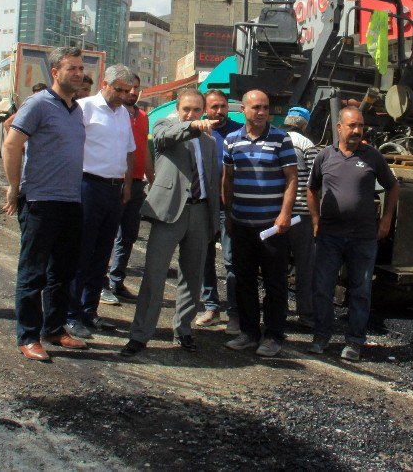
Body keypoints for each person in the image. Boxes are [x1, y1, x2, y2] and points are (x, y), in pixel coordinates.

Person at [2, 47, 89, 362]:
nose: (78, 74)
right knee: (33, 272)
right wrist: (14, 187)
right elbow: (12, 144)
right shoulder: (37, 104)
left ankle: (54, 329)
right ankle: (28, 336)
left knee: (63, 273)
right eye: (72, 69)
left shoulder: (75, 109)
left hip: (70, 200)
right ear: (55, 72)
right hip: (40, 201)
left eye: (81, 69)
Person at [121, 89, 220, 357]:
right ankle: (140, 334)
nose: (191, 114)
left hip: (199, 213)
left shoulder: (210, 143)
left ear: (204, 111)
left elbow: (211, 183)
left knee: (192, 277)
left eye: (196, 110)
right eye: (186, 109)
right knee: (154, 275)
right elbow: (166, 136)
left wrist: (213, 221)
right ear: (178, 109)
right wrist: (190, 126)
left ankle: (184, 330)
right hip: (169, 212)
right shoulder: (167, 127)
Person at [307, 106, 400, 361]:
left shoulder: (372, 157)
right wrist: (316, 221)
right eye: (352, 126)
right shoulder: (324, 157)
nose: (358, 130)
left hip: (363, 237)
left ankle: (355, 342)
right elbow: (312, 189)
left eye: (360, 126)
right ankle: (321, 336)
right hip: (329, 236)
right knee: (323, 288)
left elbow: (393, 187)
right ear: (339, 128)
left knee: (360, 290)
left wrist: (387, 219)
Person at [222, 89, 298, 357]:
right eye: (256, 107)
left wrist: (284, 214)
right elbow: (228, 178)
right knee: (244, 281)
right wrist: (229, 212)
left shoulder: (281, 139)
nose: (262, 112)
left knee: (275, 283)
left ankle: (274, 335)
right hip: (242, 224)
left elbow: (291, 178)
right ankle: (249, 332)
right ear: (243, 109)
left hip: (272, 227)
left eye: (265, 107)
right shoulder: (231, 141)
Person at [67, 64, 136, 338]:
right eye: (118, 89)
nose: (122, 95)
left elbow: (130, 152)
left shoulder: (123, 115)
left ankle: (89, 311)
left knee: (101, 255)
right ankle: (70, 315)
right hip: (88, 186)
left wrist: (128, 185)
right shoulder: (84, 108)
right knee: (81, 253)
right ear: (104, 84)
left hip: (114, 190)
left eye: (126, 90)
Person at [195, 89, 242, 331]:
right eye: (214, 107)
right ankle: (211, 307)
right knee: (204, 258)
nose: (219, 111)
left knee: (232, 261)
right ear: (205, 109)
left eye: (223, 106)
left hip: (228, 207)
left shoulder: (238, 131)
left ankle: (234, 314)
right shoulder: (199, 129)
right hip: (204, 205)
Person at [107, 74, 153, 304]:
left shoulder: (143, 117)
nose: (134, 92)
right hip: (115, 182)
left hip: (136, 184)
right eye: (130, 88)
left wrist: (152, 180)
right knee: (107, 235)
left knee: (129, 235)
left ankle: (116, 281)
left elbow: (144, 151)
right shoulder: (115, 114)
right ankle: (100, 284)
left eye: (137, 88)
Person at [281, 106, 319, 327]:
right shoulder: (307, 145)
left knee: (278, 265)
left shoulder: (274, 139)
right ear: (304, 125)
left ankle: (279, 310)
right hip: (302, 215)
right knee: (305, 266)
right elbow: (314, 183)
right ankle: (306, 315)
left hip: (278, 214)